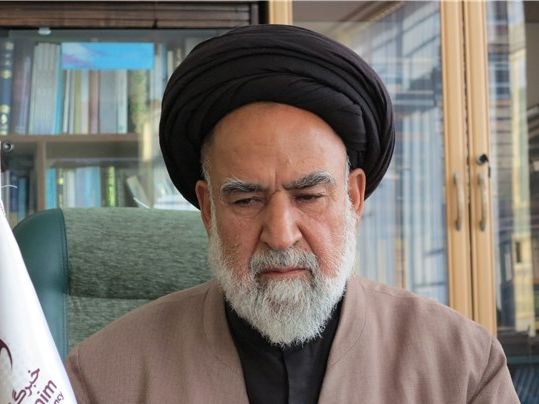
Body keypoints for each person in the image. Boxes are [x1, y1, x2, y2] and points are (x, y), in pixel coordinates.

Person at [65, 24, 519, 403]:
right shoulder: (102, 377)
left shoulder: (461, 366)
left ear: (354, 197)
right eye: (246, 200)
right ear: (207, 208)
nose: (281, 235)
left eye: (309, 197)